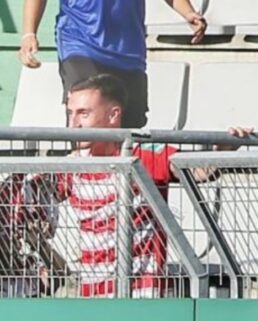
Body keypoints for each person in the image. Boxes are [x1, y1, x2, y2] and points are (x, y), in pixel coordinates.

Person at [48, 74, 251, 297]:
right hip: (93, 296)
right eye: (70, 114)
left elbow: (199, 172)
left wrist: (224, 151)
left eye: (83, 114)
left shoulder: (143, 155)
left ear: (113, 115)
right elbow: (26, 203)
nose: (73, 124)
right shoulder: (72, 164)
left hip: (145, 295)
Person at [18, 0, 207, 128]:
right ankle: (81, 181)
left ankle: (122, 187)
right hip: (80, 44)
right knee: (87, 115)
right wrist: (29, 34)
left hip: (129, 52)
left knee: (130, 129)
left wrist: (188, 12)